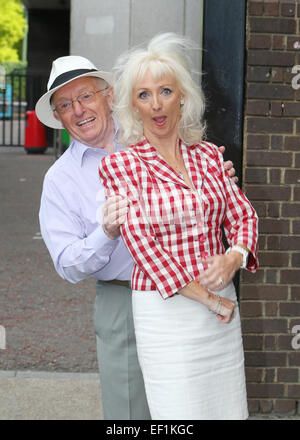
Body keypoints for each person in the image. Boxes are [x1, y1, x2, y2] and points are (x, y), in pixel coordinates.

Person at [36, 54, 238, 420]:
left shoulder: (152, 134)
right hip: (123, 299)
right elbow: (67, 264)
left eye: (85, 96)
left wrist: (216, 180)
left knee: (197, 403)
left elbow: (207, 193)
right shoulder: (60, 179)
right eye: (65, 105)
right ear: (59, 117)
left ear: (109, 96)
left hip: (194, 292)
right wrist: (106, 233)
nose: (78, 110)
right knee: (131, 413)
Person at [99, 33, 259, 420]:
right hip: (167, 309)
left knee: (227, 408)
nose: (156, 104)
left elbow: (243, 216)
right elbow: (144, 247)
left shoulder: (208, 155)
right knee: (179, 412)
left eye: (165, 90)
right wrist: (209, 299)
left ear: (183, 96)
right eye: (143, 95)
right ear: (132, 106)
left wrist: (233, 258)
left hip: (220, 306)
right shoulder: (121, 166)